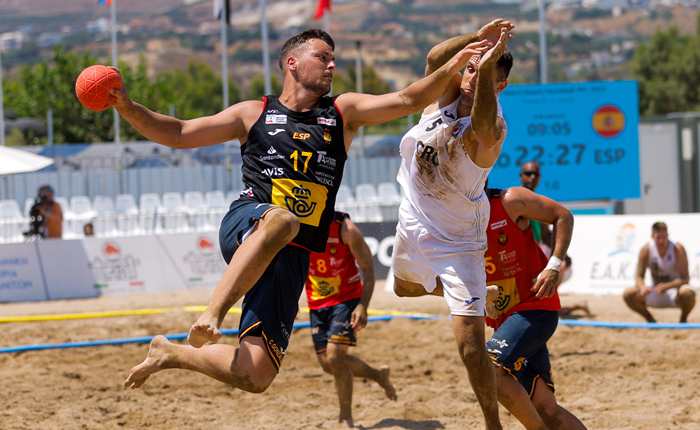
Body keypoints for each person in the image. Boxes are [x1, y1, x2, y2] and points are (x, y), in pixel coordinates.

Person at [120, 28, 490, 393]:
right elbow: (179, 133)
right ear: (292, 64)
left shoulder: (343, 111)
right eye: (322, 57)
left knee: (256, 374)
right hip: (250, 221)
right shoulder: (253, 112)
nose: (332, 65)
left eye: (334, 58)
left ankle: (169, 353)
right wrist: (127, 106)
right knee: (283, 219)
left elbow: (409, 99)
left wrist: (454, 63)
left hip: (293, 254)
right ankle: (213, 313)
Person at [391, 19, 514, 430]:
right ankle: (482, 292)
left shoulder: (492, 127)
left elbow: (479, 125)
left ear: (500, 87)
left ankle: (492, 423)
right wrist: (478, 41)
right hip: (413, 215)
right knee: (403, 289)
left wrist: (491, 59)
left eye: (484, 74)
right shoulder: (444, 95)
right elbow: (434, 59)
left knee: (471, 349)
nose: (471, 77)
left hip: (458, 238)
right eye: (471, 69)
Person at [483, 186, 586, 430]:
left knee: (488, 368)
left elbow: (564, 215)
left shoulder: (510, 200)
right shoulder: (458, 214)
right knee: (545, 407)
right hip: (508, 318)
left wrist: (554, 265)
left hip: (535, 307)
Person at [305, 211, 396, 428]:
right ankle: (378, 375)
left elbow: (368, 267)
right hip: (316, 302)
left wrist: (363, 305)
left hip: (347, 298)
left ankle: (345, 418)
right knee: (328, 364)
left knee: (336, 357)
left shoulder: (346, 229)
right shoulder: (298, 226)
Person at [518, 162, 580, 312]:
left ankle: (560, 308)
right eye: (528, 173)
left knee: (539, 299)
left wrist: (562, 256)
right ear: (521, 176)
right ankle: (574, 306)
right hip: (518, 259)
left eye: (536, 174)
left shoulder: (538, 202)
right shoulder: (515, 199)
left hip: (532, 259)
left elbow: (545, 234)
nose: (532, 177)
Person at [623, 222, 696, 323]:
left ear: (668, 236)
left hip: (675, 291)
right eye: (658, 238)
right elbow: (639, 276)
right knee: (629, 294)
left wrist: (668, 286)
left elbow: (685, 278)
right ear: (652, 237)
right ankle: (650, 319)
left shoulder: (677, 249)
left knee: (688, 294)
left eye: (664, 237)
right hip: (656, 290)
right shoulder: (646, 250)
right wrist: (642, 287)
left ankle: (683, 319)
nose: (661, 241)